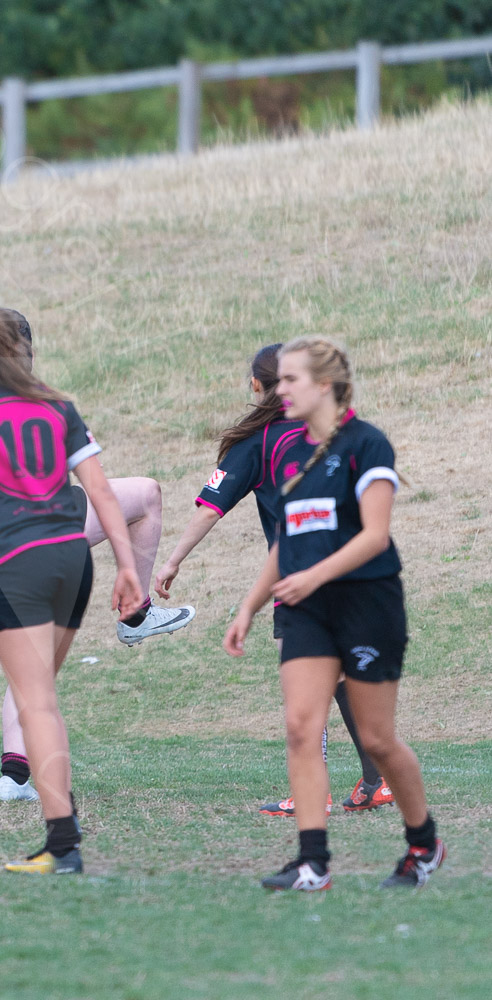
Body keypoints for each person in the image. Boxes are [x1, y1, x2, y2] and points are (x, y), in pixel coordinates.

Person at [0, 305, 145, 875]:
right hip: (73, 559)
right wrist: (127, 566)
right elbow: (99, 490)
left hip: (17, 565)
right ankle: (60, 835)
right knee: (41, 695)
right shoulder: (56, 404)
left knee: (37, 703)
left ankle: (63, 844)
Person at [224, 338, 442, 892]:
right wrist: (250, 604)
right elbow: (287, 538)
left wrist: (316, 575)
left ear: (325, 386)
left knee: (377, 740)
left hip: (366, 601)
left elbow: (374, 535)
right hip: (306, 608)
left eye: (292, 379)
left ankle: (424, 843)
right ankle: (312, 862)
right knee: (302, 727)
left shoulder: (368, 445)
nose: (280, 390)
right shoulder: (288, 449)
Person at [157, 343, 392, 817]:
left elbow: (209, 509)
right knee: (339, 676)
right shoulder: (328, 430)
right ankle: (377, 781)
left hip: (302, 579)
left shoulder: (261, 443)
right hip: (352, 573)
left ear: (255, 386)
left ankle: (315, 792)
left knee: (305, 684)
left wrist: (172, 561)